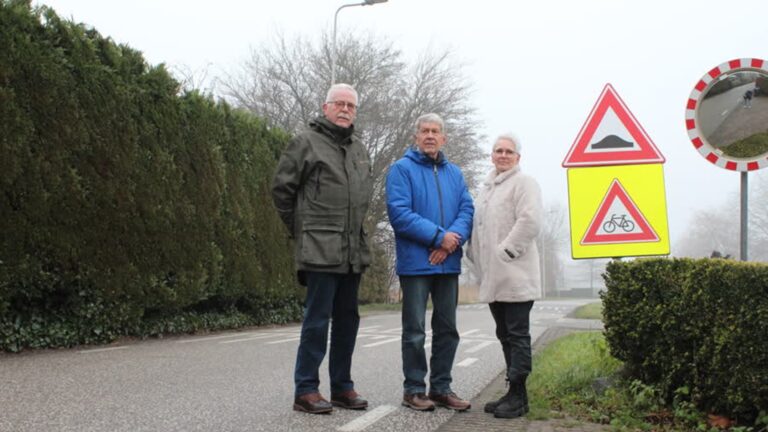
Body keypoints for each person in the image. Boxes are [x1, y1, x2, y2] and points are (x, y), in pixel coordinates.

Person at [271, 83, 372, 415]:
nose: (345, 110)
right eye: (339, 103)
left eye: (351, 106)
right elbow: (282, 192)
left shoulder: (359, 149)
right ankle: (306, 389)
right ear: (326, 107)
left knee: (348, 320)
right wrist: (303, 232)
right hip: (319, 249)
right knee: (317, 320)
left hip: (351, 250)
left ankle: (342, 387)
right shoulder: (305, 142)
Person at [385, 113, 474, 412]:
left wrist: (450, 243)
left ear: (444, 138)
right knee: (415, 331)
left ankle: (441, 388)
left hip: (448, 264)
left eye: (435, 131)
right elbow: (399, 214)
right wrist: (438, 238)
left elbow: (466, 210)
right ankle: (413, 390)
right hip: (416, 264)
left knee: (448, 329)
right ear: (416, 136)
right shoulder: (401, 170)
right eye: (425, 131)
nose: (430, 136)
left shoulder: (455, 174)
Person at [467, 133, 542, 419]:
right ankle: (512, 392)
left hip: (516, 274)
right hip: (493, 278)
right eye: (498, 150)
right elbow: (480, 228)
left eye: (508, 151)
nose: (502, 155)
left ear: (517, 157)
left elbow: (530, 220)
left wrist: (506, 251)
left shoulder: (524, 183)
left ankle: (520, 396)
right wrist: (474, 257)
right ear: (492, 155)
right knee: (504, 335)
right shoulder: (487, 189)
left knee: (517, 335)